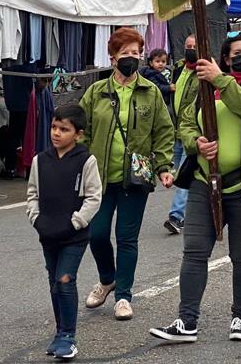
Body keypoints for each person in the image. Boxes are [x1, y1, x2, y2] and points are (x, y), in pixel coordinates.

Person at [150, 32, 241, 345]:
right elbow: (185, 122)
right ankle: (186, 321)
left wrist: (222, 79)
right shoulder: (203, 87)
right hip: (203, 182)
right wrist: (195, 142)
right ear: (226, 57)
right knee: (194, 252)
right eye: (237, 52)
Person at [79, 27, 174, 321]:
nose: (131, 58)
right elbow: (82, 131)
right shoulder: (96, 92)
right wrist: (77, 163)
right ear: (112, 57)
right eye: (125, 53)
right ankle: (108, 279)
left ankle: (123, 296)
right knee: (96, 233)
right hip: (101, 177)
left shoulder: (150, 92)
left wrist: (164, 167)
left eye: (136, 53)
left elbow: (163, 131)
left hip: (136, 175)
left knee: (127, 237)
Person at [26, 103, 102, 361]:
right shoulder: (40, 160)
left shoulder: (85, 160)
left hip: (74, 235)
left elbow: (94, 197)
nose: (56, 133)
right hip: (48, 233)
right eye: (54, 127)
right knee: (53, 283)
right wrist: (37, 219)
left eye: (64, 129)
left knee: (65, 280)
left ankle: (68, 336)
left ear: (78, 134)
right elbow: (32, 195)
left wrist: (76, 222)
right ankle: (59, 332)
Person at [165, 35, 199, 235]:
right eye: (188, 46)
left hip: (191, 129)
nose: (191, 49)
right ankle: (197, 209)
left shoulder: (203, 71)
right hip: (175, 129)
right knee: (180, 172)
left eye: (194, 46)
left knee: (185, 173)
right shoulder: (178, 68)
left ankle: (176, 216)